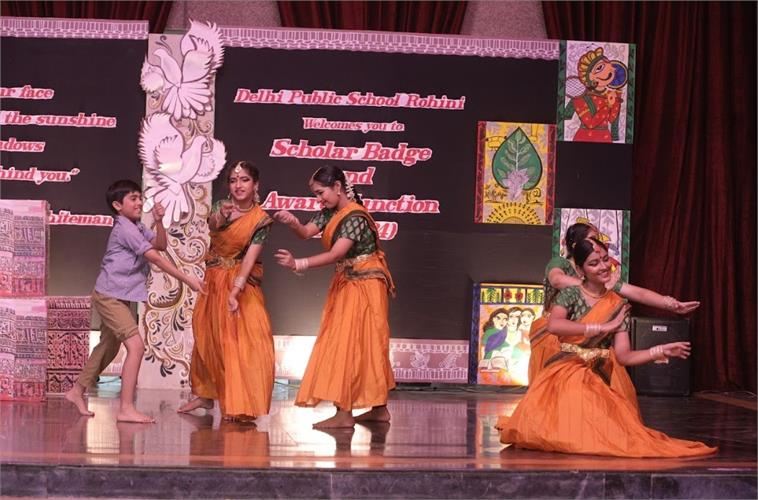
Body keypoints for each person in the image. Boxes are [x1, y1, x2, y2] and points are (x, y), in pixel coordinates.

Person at [497, 238, 717, 457]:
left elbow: (623, 357)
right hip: (566, 370)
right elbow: (554, 325)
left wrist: (659, 351)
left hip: (598, 375)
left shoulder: (618, 305)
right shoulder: (571, 294)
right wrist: (601, 327)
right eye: (594, 263)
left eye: (605, 259)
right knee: (579, 417)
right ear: (580, 270)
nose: (603, 266)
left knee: (618, 432)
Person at [65, 179, 204, 423]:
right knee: (136, 346)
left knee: (109, 347)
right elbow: (156, 258)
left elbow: (160, 245)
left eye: (140, 197)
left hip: (120, 296)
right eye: (133, 198)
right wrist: (187, 279)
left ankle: (76, 391)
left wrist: (159, 221)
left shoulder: (136, 226)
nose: (139, 202)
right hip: (109, 296)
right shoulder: (125, 229)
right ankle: (126, 408)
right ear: (118, 205)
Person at [273, 165, 395, 429]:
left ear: (337, 187)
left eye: (321, 193)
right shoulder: (332, 212)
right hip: (350, 281)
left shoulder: (355, 217)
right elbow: (306, 232)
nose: (319, 199)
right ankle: (378, 409)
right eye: (316, 194)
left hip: (366, 285)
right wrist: (292, 222)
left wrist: (298, 264)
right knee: (357, 343)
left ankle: (346, 413)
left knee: (352, 344)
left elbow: (336, 254)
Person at [527, 222, 700, 383]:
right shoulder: (563, 269)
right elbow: (557, 280)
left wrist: (670, 304)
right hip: (556, 342)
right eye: (591, 239)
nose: (596, 244)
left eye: (604, 258)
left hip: (594, 361)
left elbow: (637, 293)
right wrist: (589, 285)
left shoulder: (615, 300)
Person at [178, 161, 275, 423]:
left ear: (256, 185)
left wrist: (235, 291)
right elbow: (212, 225)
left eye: (244, 180)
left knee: (244, 341)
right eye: (233, 180)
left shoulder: (261, 219)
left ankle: (240, 401)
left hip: (240, 283)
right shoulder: (221, 206)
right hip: (214, 280)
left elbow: (250, 258)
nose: (238, 185)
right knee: (208, 337)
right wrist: (221, 216)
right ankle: (206, 394)